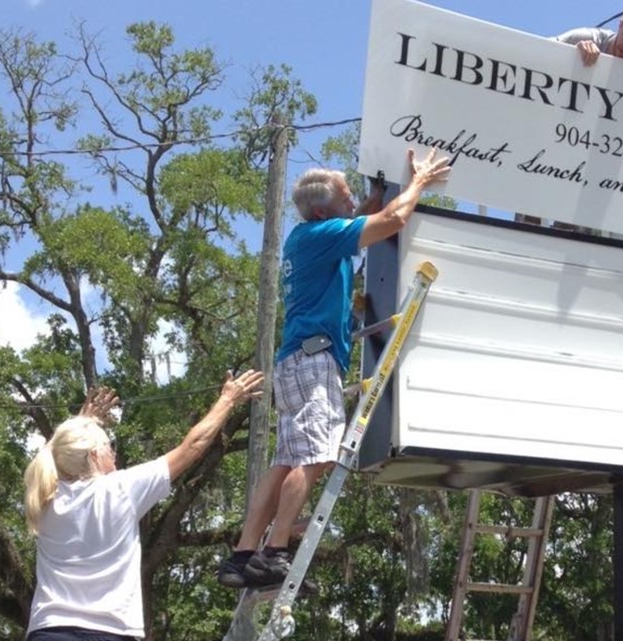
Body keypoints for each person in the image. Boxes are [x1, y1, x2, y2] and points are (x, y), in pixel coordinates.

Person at [216, 148, 451, 589]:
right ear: (324, 212)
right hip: (314, 362)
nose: (353, 202)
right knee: (315, 457)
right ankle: (274, 552)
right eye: (346, 198)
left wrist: (373, 196)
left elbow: (361, 217)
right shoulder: (323, 236)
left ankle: (243, 556)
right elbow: (393, 220)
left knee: (286, 461)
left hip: (295, 359)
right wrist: (418, 181)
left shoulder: (306, 237)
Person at [23, 371, 265, 641]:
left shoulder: (43, 499)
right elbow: (193, 446)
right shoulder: (121, 489)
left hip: (48, 630)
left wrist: (82, 424)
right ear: (94, 455)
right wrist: (228, 399)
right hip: (110, 633)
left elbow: (56, 452)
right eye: (109, 447)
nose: (114, 454)